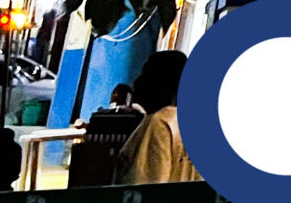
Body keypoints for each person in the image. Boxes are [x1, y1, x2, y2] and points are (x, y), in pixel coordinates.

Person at [119, 52, 198, 185]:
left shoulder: (160, 123)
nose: (136, 81)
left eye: (144, 75)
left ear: (160, 82)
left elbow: (146, 188)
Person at [71, 80, 143, 188]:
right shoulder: (137, 120)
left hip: (93, 171)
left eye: (116, 94)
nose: (115, 95)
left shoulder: (98, 118)